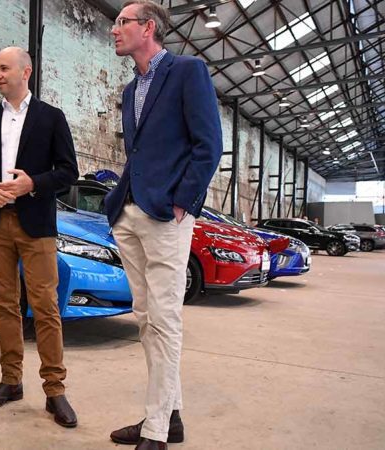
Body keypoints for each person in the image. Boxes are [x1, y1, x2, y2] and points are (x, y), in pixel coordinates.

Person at [104, 1, 222, 448]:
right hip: (131, 211)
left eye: (122, 22)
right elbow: (139, 154)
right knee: (145, 319)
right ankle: (169, 416)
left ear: (148, 28)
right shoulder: (131, 87)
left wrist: (183, 203)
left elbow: (208, 144)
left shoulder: (188, 71)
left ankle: (155, 429)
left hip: (166, 214)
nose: (115, 30)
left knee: (166, 320)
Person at [0, 47, 80, 428]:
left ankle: (55, 391)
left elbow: (68, 172)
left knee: (45, 306)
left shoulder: (51, 118)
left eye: (4, 68)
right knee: (5, 305)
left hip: (35, 225)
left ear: (25, 71)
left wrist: (33, 184)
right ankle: (11, 381)